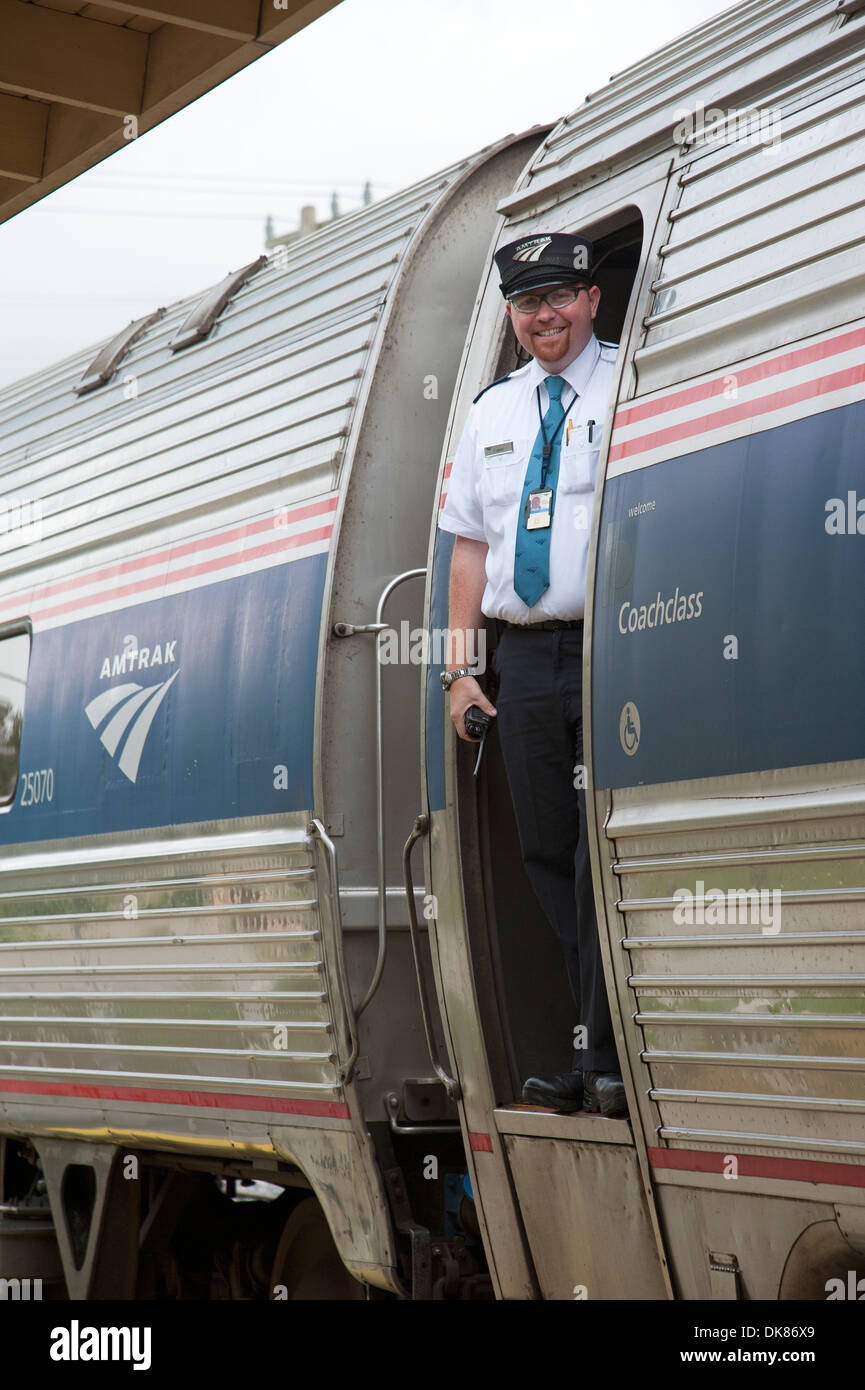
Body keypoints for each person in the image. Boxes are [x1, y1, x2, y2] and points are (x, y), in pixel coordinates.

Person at [438, 231, 626, 1117]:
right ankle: (600, 1057)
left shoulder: (631, 382)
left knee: (599, 856)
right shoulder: (493, 410)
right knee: (547, 852)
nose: (543, 314)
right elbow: (469, 549)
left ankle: (603, 1058)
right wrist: (458, 672)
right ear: (510, 317)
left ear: (593, 300)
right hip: (523, 657)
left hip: (611, 643)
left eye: (559, 295)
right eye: (526, 302)